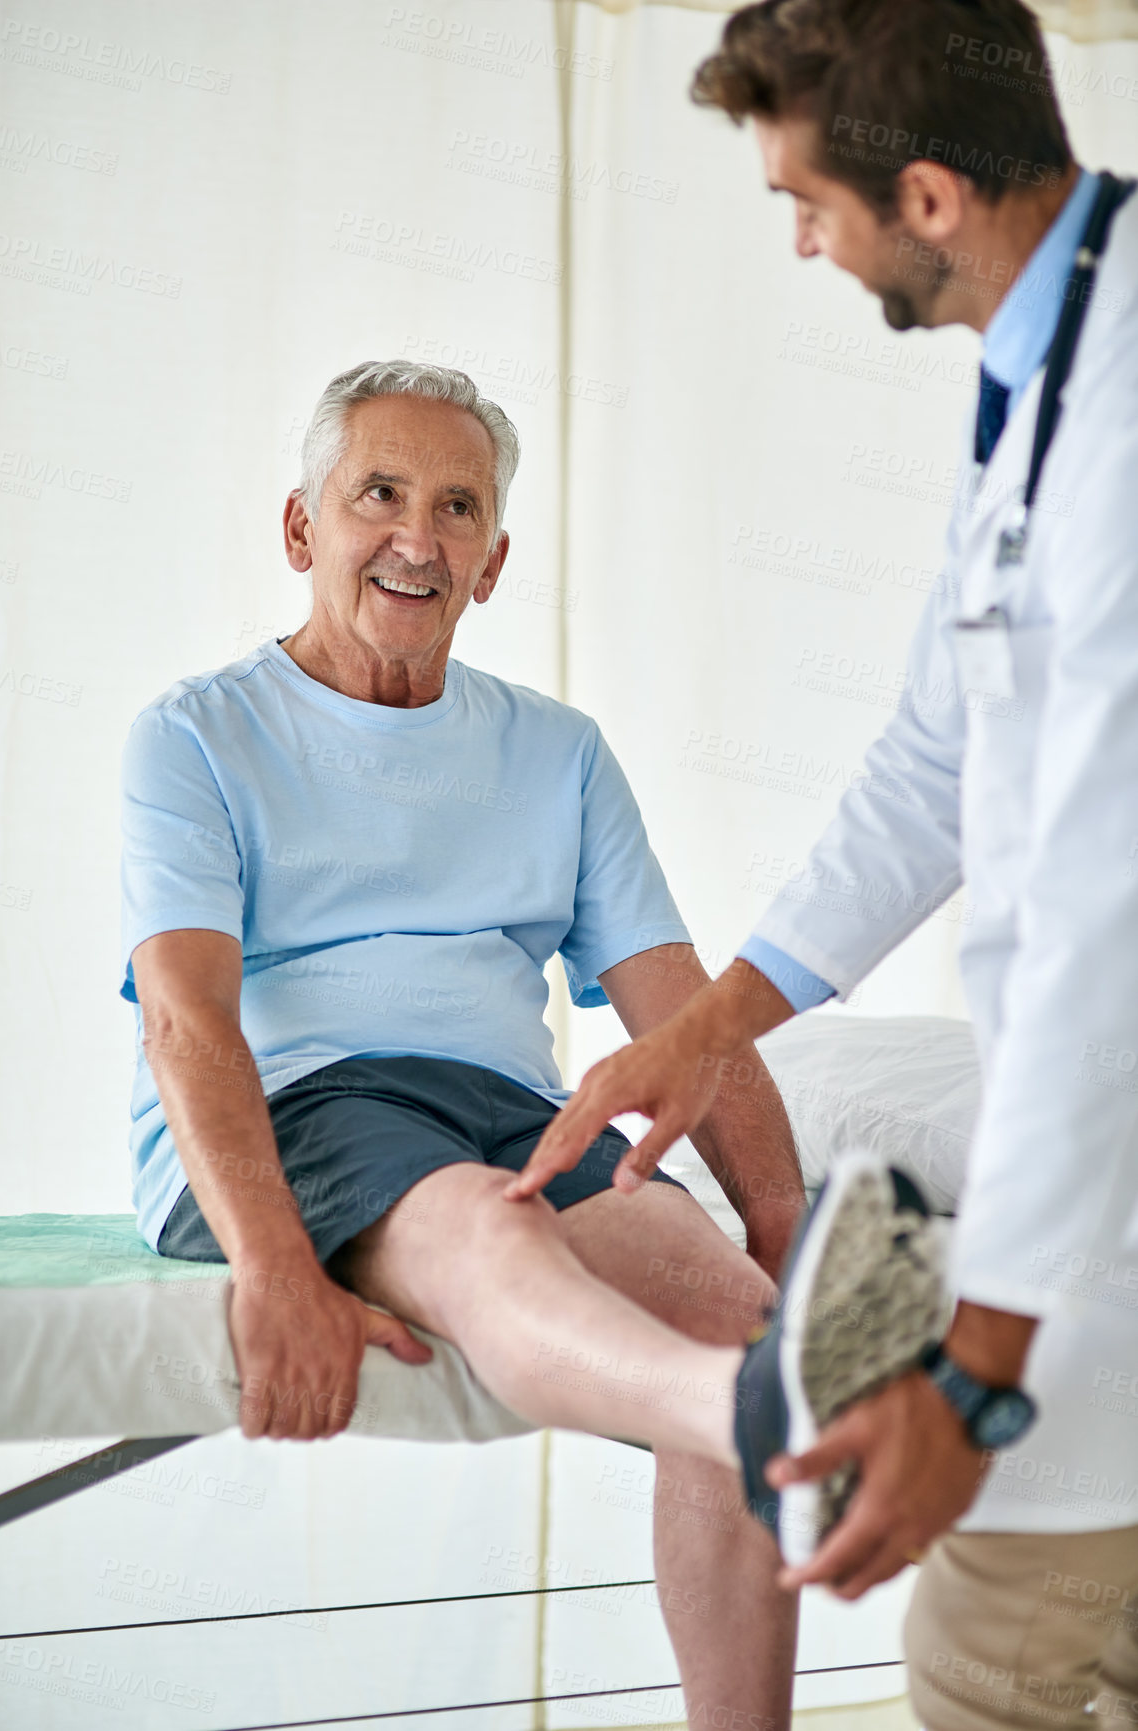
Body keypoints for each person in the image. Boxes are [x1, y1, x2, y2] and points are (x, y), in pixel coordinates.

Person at [125, 357, 931, 1726]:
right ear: (301, 526)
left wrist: (783, 1224)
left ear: (492, 563)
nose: (416, 538)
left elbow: (683, 1010)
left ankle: (758, 1410)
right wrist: (272, 1268)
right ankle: (757, 1408)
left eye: (457, 508)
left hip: (507, 1103)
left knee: (737, 1316)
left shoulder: (557, 752)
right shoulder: (198, 736)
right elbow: (188, 1020)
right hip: (307, 1104)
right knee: (494, 1241)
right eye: (378, 492)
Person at [507, 4, 1138, 1726]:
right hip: (1088, 1177)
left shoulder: (1125, 405)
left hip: (1101, 1191)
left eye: (807, 199)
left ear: (927, 196)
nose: (798, 237)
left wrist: (981, 1380)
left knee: (997, 1665)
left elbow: (1099, 911)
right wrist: (717, 1030)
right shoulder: (1042, 363)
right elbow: (936, 760)